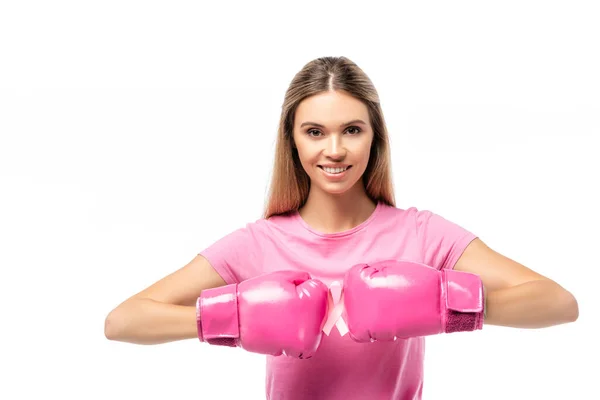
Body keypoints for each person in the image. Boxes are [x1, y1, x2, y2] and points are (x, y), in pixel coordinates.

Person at [104, 56, 579, 399]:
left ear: (375, 137)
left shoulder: (421, 234)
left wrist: (443, 307)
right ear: (292, 142)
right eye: (315, 132)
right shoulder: (258, 243)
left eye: (352, 130)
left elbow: (558, 303)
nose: (334, 150)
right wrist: (235, 317)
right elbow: (123, 321)